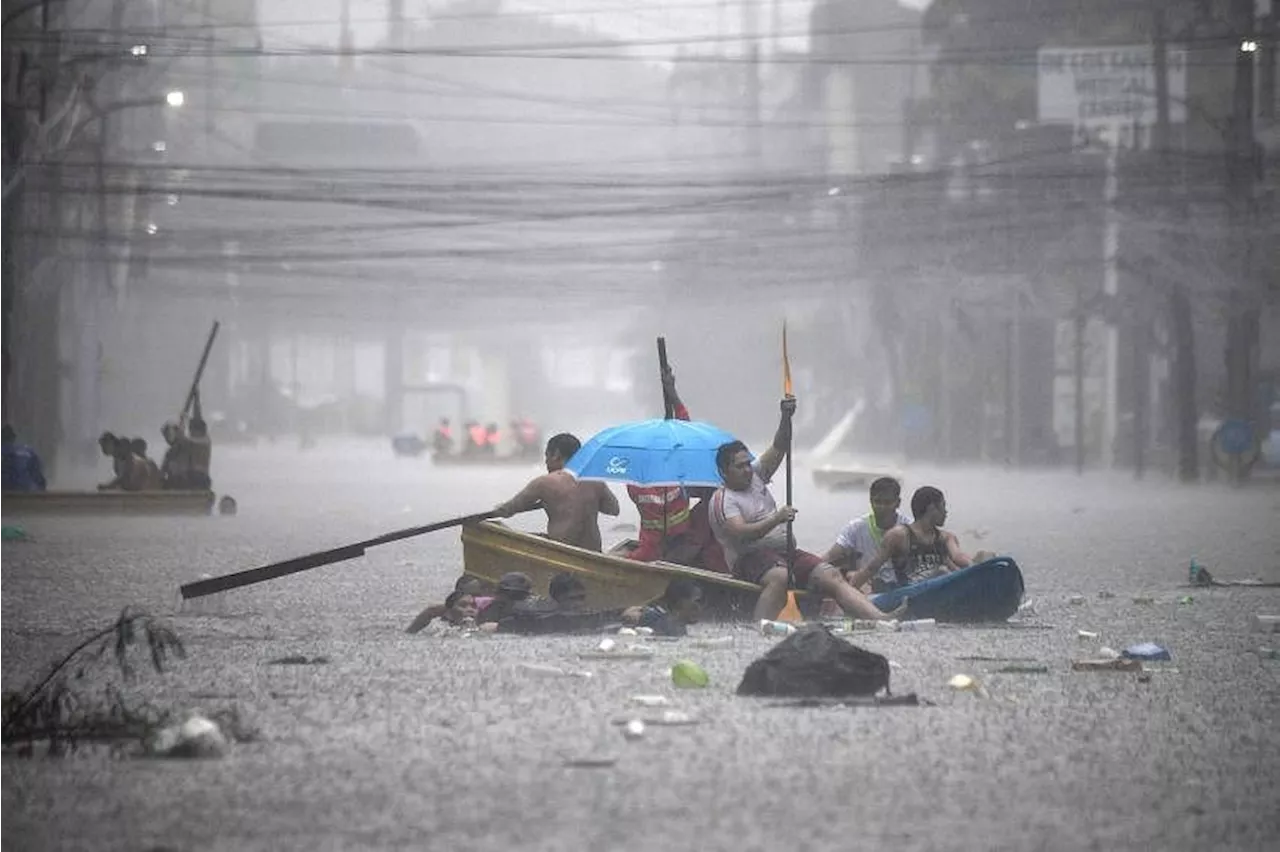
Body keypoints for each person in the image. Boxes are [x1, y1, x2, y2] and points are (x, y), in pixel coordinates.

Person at [708, 395, 904, 623]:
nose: (747, 470)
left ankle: (880, 619)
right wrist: (776, 519)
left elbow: (780, 446)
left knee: (831, 574)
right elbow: (740, 532)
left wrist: (786, 416)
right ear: (724, 472)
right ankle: (760, 627)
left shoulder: (757, 475)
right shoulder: (724, 499)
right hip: (749, 559)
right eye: (739, 466)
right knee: (780, 576)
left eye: (747, 463)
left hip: (785, 553)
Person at [623, 367, 729, 573]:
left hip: (678, 546)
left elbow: (685, 430)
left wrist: (672, 394)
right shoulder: (652, 480)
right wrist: (673, 395)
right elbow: (684, 431)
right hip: (654, 550)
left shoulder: (643, 478)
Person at [493, 432, 620, 552]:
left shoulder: (543, 483)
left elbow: (507, 510)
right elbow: (614, 509)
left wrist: (500, 508)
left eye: (547, 456)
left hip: (561, 552)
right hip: (593, 554)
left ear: (556, 455)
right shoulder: (595, 480)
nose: (546, 462)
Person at [856, 486, 993, 594]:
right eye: (943, 506)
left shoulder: (946, 537)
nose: (946, 512)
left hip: (943, 585)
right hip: (912, 591)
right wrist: (848, 592)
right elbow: (872, 568)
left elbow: (958, 557)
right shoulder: (899, 535)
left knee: (986, 555)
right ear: (932, 509)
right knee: (942, 571)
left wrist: (978, 568)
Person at [823, 477, 912, 594]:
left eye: (887, 503)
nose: (882, 508)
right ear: (871, 501)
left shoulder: (909, 528)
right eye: (878, 502)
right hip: (867, 587)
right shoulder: (855, 528)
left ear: (898, 503)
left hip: (903, 587)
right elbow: (830, 556)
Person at [406, 575, 494, 634]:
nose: (469, 609)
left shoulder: (491, 609)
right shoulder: (444, 614)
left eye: (475, 603)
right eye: (463, 605)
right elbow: (431, 611)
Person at [623, 578, 703, 637]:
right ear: (680, 603)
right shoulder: (663, 624)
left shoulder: (677, 627)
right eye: (696, 601)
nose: (700, 607)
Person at [0, 424, 46, 492]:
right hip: (28, 491)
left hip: (7, 493)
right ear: (13, 438)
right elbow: (39, 477)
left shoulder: (2, 451)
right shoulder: (29, 451)